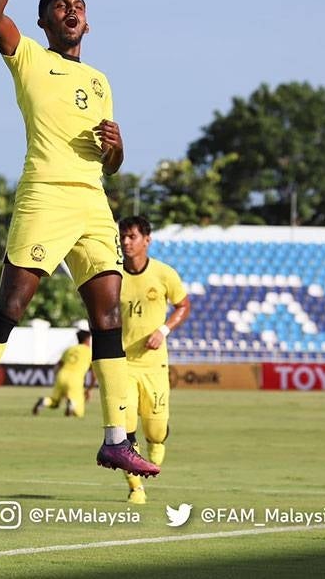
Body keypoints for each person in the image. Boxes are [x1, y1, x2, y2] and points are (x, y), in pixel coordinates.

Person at [0, 0, 158, 477]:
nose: (71, 10)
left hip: (92, 202)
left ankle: (116, 437)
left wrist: (118, 150)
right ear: (43, 21)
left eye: (78, 5)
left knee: (107, 316)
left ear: (87, 19)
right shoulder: (30, 59)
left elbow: (109, 162)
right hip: (44, 196)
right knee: (11, 307)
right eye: (61, 5)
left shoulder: (100, 80)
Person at [117, 216, 192, 504]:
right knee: (123, 429)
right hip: (121, 364)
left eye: (132, 236)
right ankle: (136, 488)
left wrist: (163, 329)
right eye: (123, 236)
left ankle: (157, 440)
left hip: (154, 365)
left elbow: (183, 306)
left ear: (147, 240)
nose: (126, 242)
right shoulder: (113, 276)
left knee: (156, 428)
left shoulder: (164, 274)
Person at [32, 328, 95, 417]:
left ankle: (44, 401)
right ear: (87, 339)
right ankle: (71, 403)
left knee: (54, 402)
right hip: (75, 379)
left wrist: (56, 378)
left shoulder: (69, 349)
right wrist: (89, 389)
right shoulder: (89, 352)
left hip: (62, 375)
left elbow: (58, 365)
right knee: (79, 413)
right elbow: (94, 373)